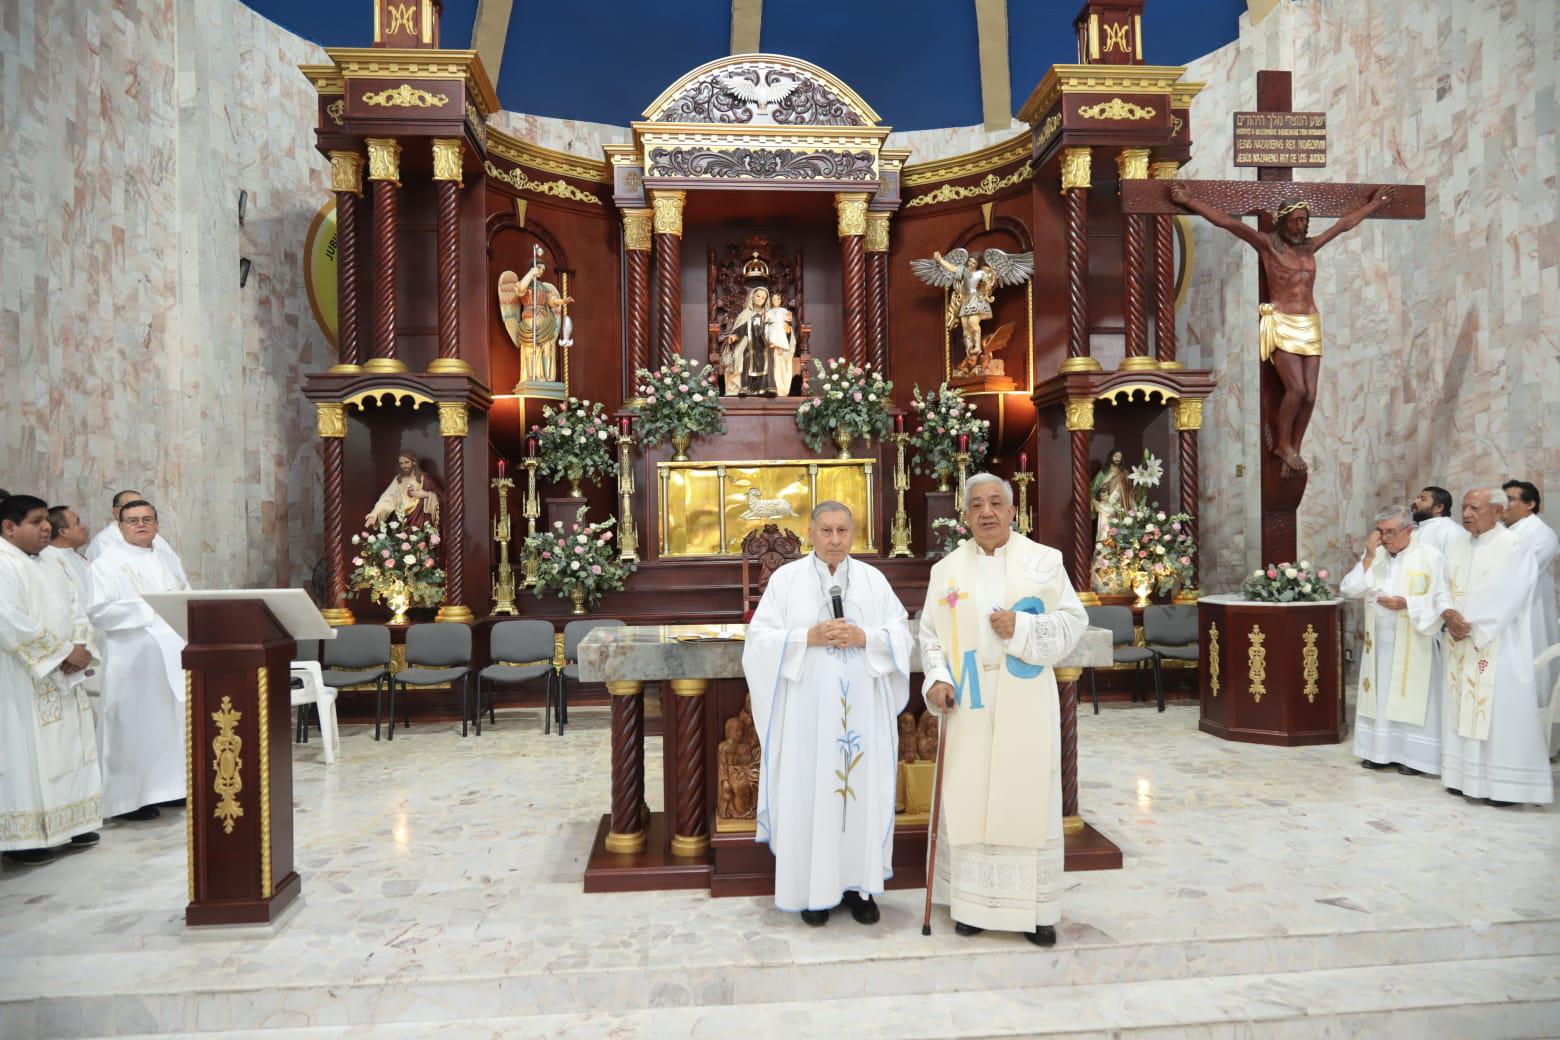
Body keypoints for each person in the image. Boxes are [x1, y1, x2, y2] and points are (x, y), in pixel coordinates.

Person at [918, 473, 1088, 946]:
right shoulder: (946, 570)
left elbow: (1074, 621)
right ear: (965, 514)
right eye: (977, 505)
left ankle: (1037, 911)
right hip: (968, 699)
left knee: (1026, 794)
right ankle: (972, 905)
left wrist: (1023, 627)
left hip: (1024, 694)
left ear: (1013, 512)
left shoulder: (1044, 561)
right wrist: (937, 680)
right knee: (969, 795)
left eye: (996, 503)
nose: (987, 512)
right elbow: (930, 635)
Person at [742, 501, 911, 926]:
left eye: (842, 531)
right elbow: (759, 640)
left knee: (861, 795)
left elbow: (900, 632)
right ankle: (813, 893)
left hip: (864, 717)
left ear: (853, 534)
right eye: (826, 531)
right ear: (811, 533)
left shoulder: (874, 581)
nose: (835, 540)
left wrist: (864, 635)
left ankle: (861, 888)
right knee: (812, 794)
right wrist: (806, 638)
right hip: (808, 719)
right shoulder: (786, 582)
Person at [1170, 184, 1395, 473]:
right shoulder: (1267, 245)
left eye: (1304, 221)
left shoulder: (1310, 246)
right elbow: (1226, 222)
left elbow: (1343, 225)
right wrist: (1189, 200)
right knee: (1296, 388)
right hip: (1282, 321)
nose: (1301, 226)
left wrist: (1374, 204)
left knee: (1311, 393)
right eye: (1296, 221)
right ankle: (1283, 443)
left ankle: (1295, 446)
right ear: (1283, 221)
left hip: (1309, 322)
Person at [0, 495, 103, 864]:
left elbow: (77, 607)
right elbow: (9, 622)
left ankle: (73, 821)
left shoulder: (54, 560)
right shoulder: (4, 563)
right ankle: (30, 839)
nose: (46, 527)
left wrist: (81, 644)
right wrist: (62, 655)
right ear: (9, 527)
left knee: (72, 748)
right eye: (37, 521)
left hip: (64, 674)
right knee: (32, 754)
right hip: (23, 678)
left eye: (47, 520)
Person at [1435, 488, 1552, 806]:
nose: (1467, 514)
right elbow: (1440, 583)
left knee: (1500, 713)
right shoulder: (1458, 544)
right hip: (1460, 644)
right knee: (1461, 709)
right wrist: (1447, 611)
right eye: (1464, 507)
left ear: (1498, 510)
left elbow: (1509, 594)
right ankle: (1462, 778)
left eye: (1475, 508)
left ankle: (1504, 788)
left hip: (1498, 644)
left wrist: (1468, 623)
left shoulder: (1514, 547)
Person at [87, 500, 189, 820]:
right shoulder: (106, 564)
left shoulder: (167, 560)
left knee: (167, 724)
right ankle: (128, 801)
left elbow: (185, 595)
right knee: (131, 726)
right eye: (133, 521)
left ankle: (168, 789)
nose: (141, 525)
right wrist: (150, 608)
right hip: (132, 658)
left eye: (147, 519)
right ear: (120, 526)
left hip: (170, 657)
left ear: (157, 524)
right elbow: (98, 611)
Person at [1339, 506, 1447, 775]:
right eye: (1381, 532)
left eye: (1390, 532)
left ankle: (1414, 758)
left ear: (1409, 530)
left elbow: (1442, 597)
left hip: (1414, 640)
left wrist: (1407, 603)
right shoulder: (1376, 557)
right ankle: (1379, 752)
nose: (1385, 538)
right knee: (1381, 698)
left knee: (1411, 698)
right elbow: (1349, 588)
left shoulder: (1430, 557)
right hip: (1380, 644)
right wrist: (1368, 557)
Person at [1502, 480, 1559, 755]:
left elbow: (1519, 573)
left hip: (1531, 616)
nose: (1505, 504)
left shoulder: (1542, 533)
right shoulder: (1504, 531)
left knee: (1534, 672)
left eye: (1511, 499)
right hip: (1505, 617)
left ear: (1530, 504)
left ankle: (1539, 746)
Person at [85, 489, 185, 580]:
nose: (141, 524)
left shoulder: (157, 540)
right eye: (132, 505)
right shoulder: (104, 543)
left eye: (141, 504)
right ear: (116, 512)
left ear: (156, 524)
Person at [365, 451, 441, 530]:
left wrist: (427, 494)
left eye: (407, 462)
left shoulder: (426, 480)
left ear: (414, 462)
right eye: (401, 463)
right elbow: (387, 499)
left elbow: (442, 497)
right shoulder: (398, 480)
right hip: (400, 520)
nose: (404, 466)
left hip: (419, 520)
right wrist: (375, 514)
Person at [1411, 485, 1466, 558]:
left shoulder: (1452, 531)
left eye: (1423, 499)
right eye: (1417, 498)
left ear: (1439, 507)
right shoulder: (1415, 529)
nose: (1415, 502)